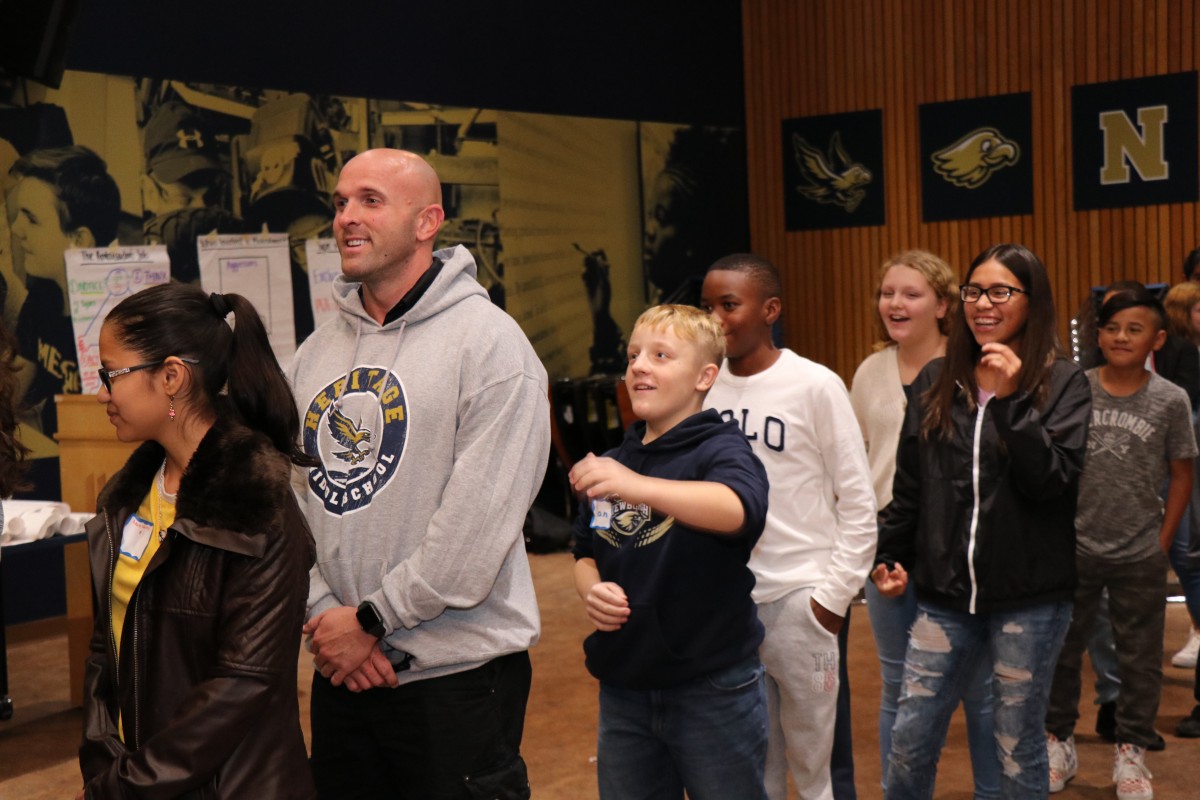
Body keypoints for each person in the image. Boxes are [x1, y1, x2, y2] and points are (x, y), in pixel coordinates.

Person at [289, 148, 550, 799]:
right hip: (342, 671)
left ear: (427, 220)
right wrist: (328, 617)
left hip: (455, 682)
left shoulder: (491, 346)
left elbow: (476, 528)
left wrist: (371, 621)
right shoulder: (316, 353)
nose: (346, 217)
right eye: (341, 202)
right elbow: (290, 503)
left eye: (370, 200)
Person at [77, 283, 317, 798]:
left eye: (110, 375)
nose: (101, 393)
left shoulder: (259, 510)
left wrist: (124, 785)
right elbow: (106, 650)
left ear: (170, 377)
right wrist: (104, 764)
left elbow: (239, 687)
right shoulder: (124, 501)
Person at [872, 243, 1091, 799]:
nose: (983, 304)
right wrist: (888, 555)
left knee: (1017, 745)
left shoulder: (1064, 382)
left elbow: (1050, 482)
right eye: (973, 291)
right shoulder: (937, 378)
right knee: (909, 739)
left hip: (1031, 600)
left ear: (1031, 299)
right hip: (943, 597)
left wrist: (1013, 402)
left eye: (1001, 291)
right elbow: (912, 484)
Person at [571, 303, 770, 799]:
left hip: (711, 688)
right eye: (635, 354)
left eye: (661, 355)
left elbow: (737, 509)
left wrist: (638, 486)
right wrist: (591, 589)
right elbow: (584, 549)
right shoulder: (616, 462)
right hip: (625, 687)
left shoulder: (720, 449)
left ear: (705, 376)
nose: (640, 365)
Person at [700, 254, 876, 800]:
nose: (714, 318)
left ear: (770, 309)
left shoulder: (815, 385)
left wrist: (832, 598)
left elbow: (858, 501)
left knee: (815, 771)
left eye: (729, 305)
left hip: (802, 599)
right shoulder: (703, 388)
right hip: (728, 604)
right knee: (754, 766)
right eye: (706, 306)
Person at [850, 250, 1000, 799]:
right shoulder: (868, 372)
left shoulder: (973, 365)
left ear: (942, 305)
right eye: (887, 293)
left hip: (958, 548)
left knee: (980, 690)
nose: (895, 303)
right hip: (887, 545)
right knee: (899, 684)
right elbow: (858, 460)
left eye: (910, 294)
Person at [1043, 287, 1195, 799]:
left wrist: (1163, 539)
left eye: (1134, 329)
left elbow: (1180, 475)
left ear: (1157, 338)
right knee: (1062, 652)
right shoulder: (1074, 389)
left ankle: (1130, 753)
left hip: (1139, 553)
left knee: (1140, 658)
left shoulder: (1171, 399)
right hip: (1075, 549)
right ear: (1098, 335)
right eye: (1111, 328)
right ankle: (1057, 740)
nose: (1121, 337)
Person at [7, 146, 120, 436]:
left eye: (31, 219)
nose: (16, 229)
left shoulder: (114, 326)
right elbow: (16, 377)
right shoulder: (45, 294)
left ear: (79, 239)